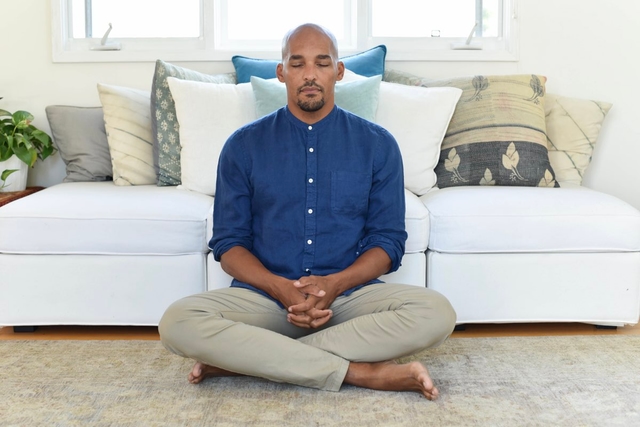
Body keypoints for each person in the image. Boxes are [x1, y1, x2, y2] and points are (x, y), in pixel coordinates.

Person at [159, 23, 456, 401]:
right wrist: (280, 288)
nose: (311, 75)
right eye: (297, 64)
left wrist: (334, 285)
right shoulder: (243, 146)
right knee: (177, 323)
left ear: (339, 71)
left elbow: (388, 243)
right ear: (281, 72)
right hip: (265, 300)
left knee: (437, 313)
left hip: (348, 301)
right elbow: (229, 244)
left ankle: (248, 359)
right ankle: (360, 373)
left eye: (322, 63)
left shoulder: (377, 145)